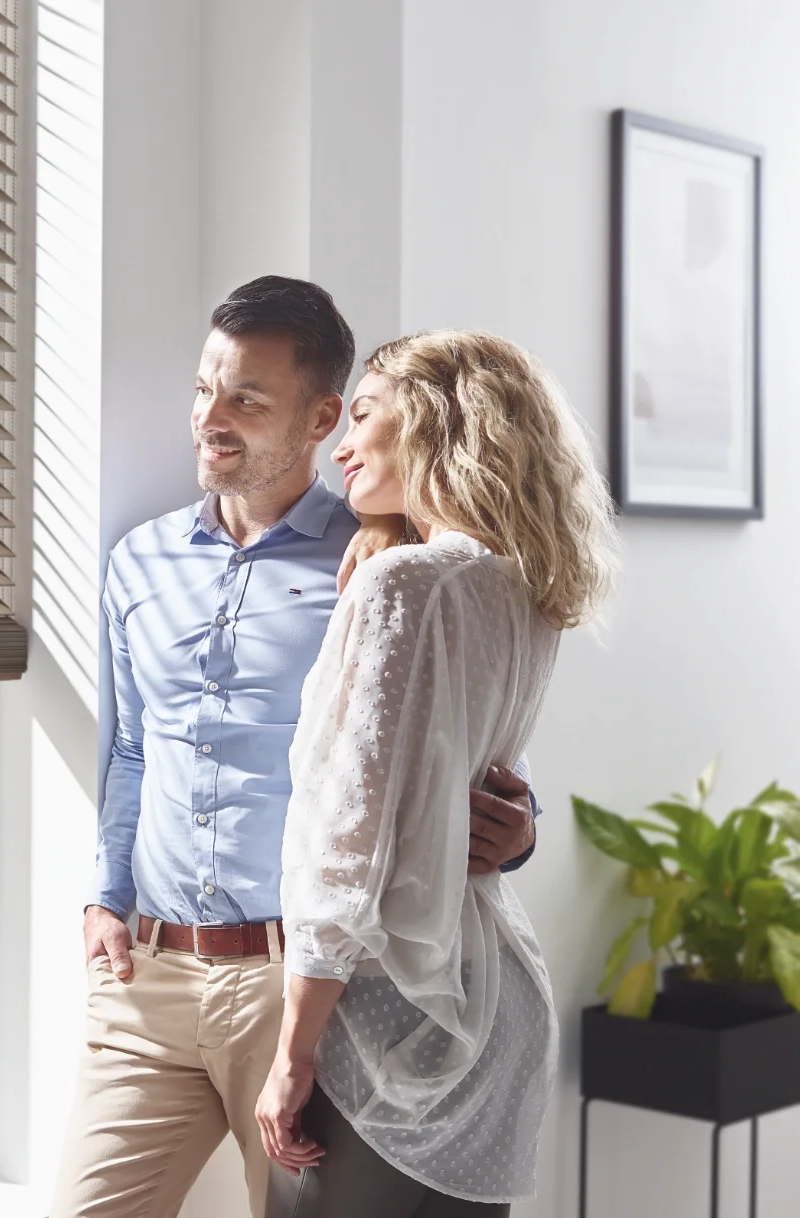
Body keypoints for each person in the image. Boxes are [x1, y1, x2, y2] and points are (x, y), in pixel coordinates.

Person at [52, 278, 541, 1218]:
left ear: (323, 416)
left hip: (299, 984)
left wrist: (518, 829)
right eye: (205, 389)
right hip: (145, 983)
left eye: (246, 399)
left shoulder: (378, 566)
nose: (211, 419)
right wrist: (104, 895)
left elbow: (433, 759)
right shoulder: (136, 563)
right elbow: (132, 753)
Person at [255, 331, 617, 1216]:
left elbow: (348, 847)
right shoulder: (527, 588)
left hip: (389, 1018)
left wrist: (292, 1055)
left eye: (366, 414)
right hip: (495, 1001)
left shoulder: (405, 588)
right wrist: (388, 522)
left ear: (434, 420)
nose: (340, 445)